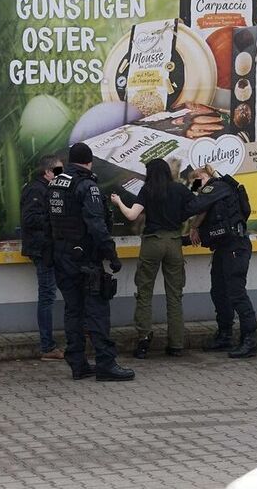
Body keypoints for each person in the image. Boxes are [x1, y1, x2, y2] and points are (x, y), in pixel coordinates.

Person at [49, 143, 134, 381]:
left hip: (62, 257)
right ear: (89, 162)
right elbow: (96, 225)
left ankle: (78, 364)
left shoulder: (56, 183)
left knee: (73, 311)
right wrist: (112, 255)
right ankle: (106, 363)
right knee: (97, 310)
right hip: (84, 259)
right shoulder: (87, 186)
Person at [110, 158, 193, 359]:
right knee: (175, 294)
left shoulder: (147, 190)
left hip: (152, 243)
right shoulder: (180, 190)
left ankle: (144, 340)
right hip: (174, 243)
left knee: (144, 292)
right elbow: (195, 207)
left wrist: (118, 201)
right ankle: (176, 344)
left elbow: (131, 216)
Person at [183, 164, 257, 358]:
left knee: (236, 294)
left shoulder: (217, 187)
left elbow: (195, 205)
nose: (196, 188)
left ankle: (249, 340)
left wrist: (189, 193)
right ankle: (225, 335)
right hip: (224, 248)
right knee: (219, 291)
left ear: (202, 176)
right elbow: (207, 220)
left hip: (235, 247)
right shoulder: (217, 192)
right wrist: (191, 231)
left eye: (196, 183)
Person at [20, 154, 65, 360]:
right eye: (58, 170)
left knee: (51, 293)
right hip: (42, 249)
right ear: (47, 172)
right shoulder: (36, 190)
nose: (61, 174)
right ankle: (47, 347)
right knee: (47, 295)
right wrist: (54, 218)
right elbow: (29, 219)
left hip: (50, 248)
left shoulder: (48, 189)